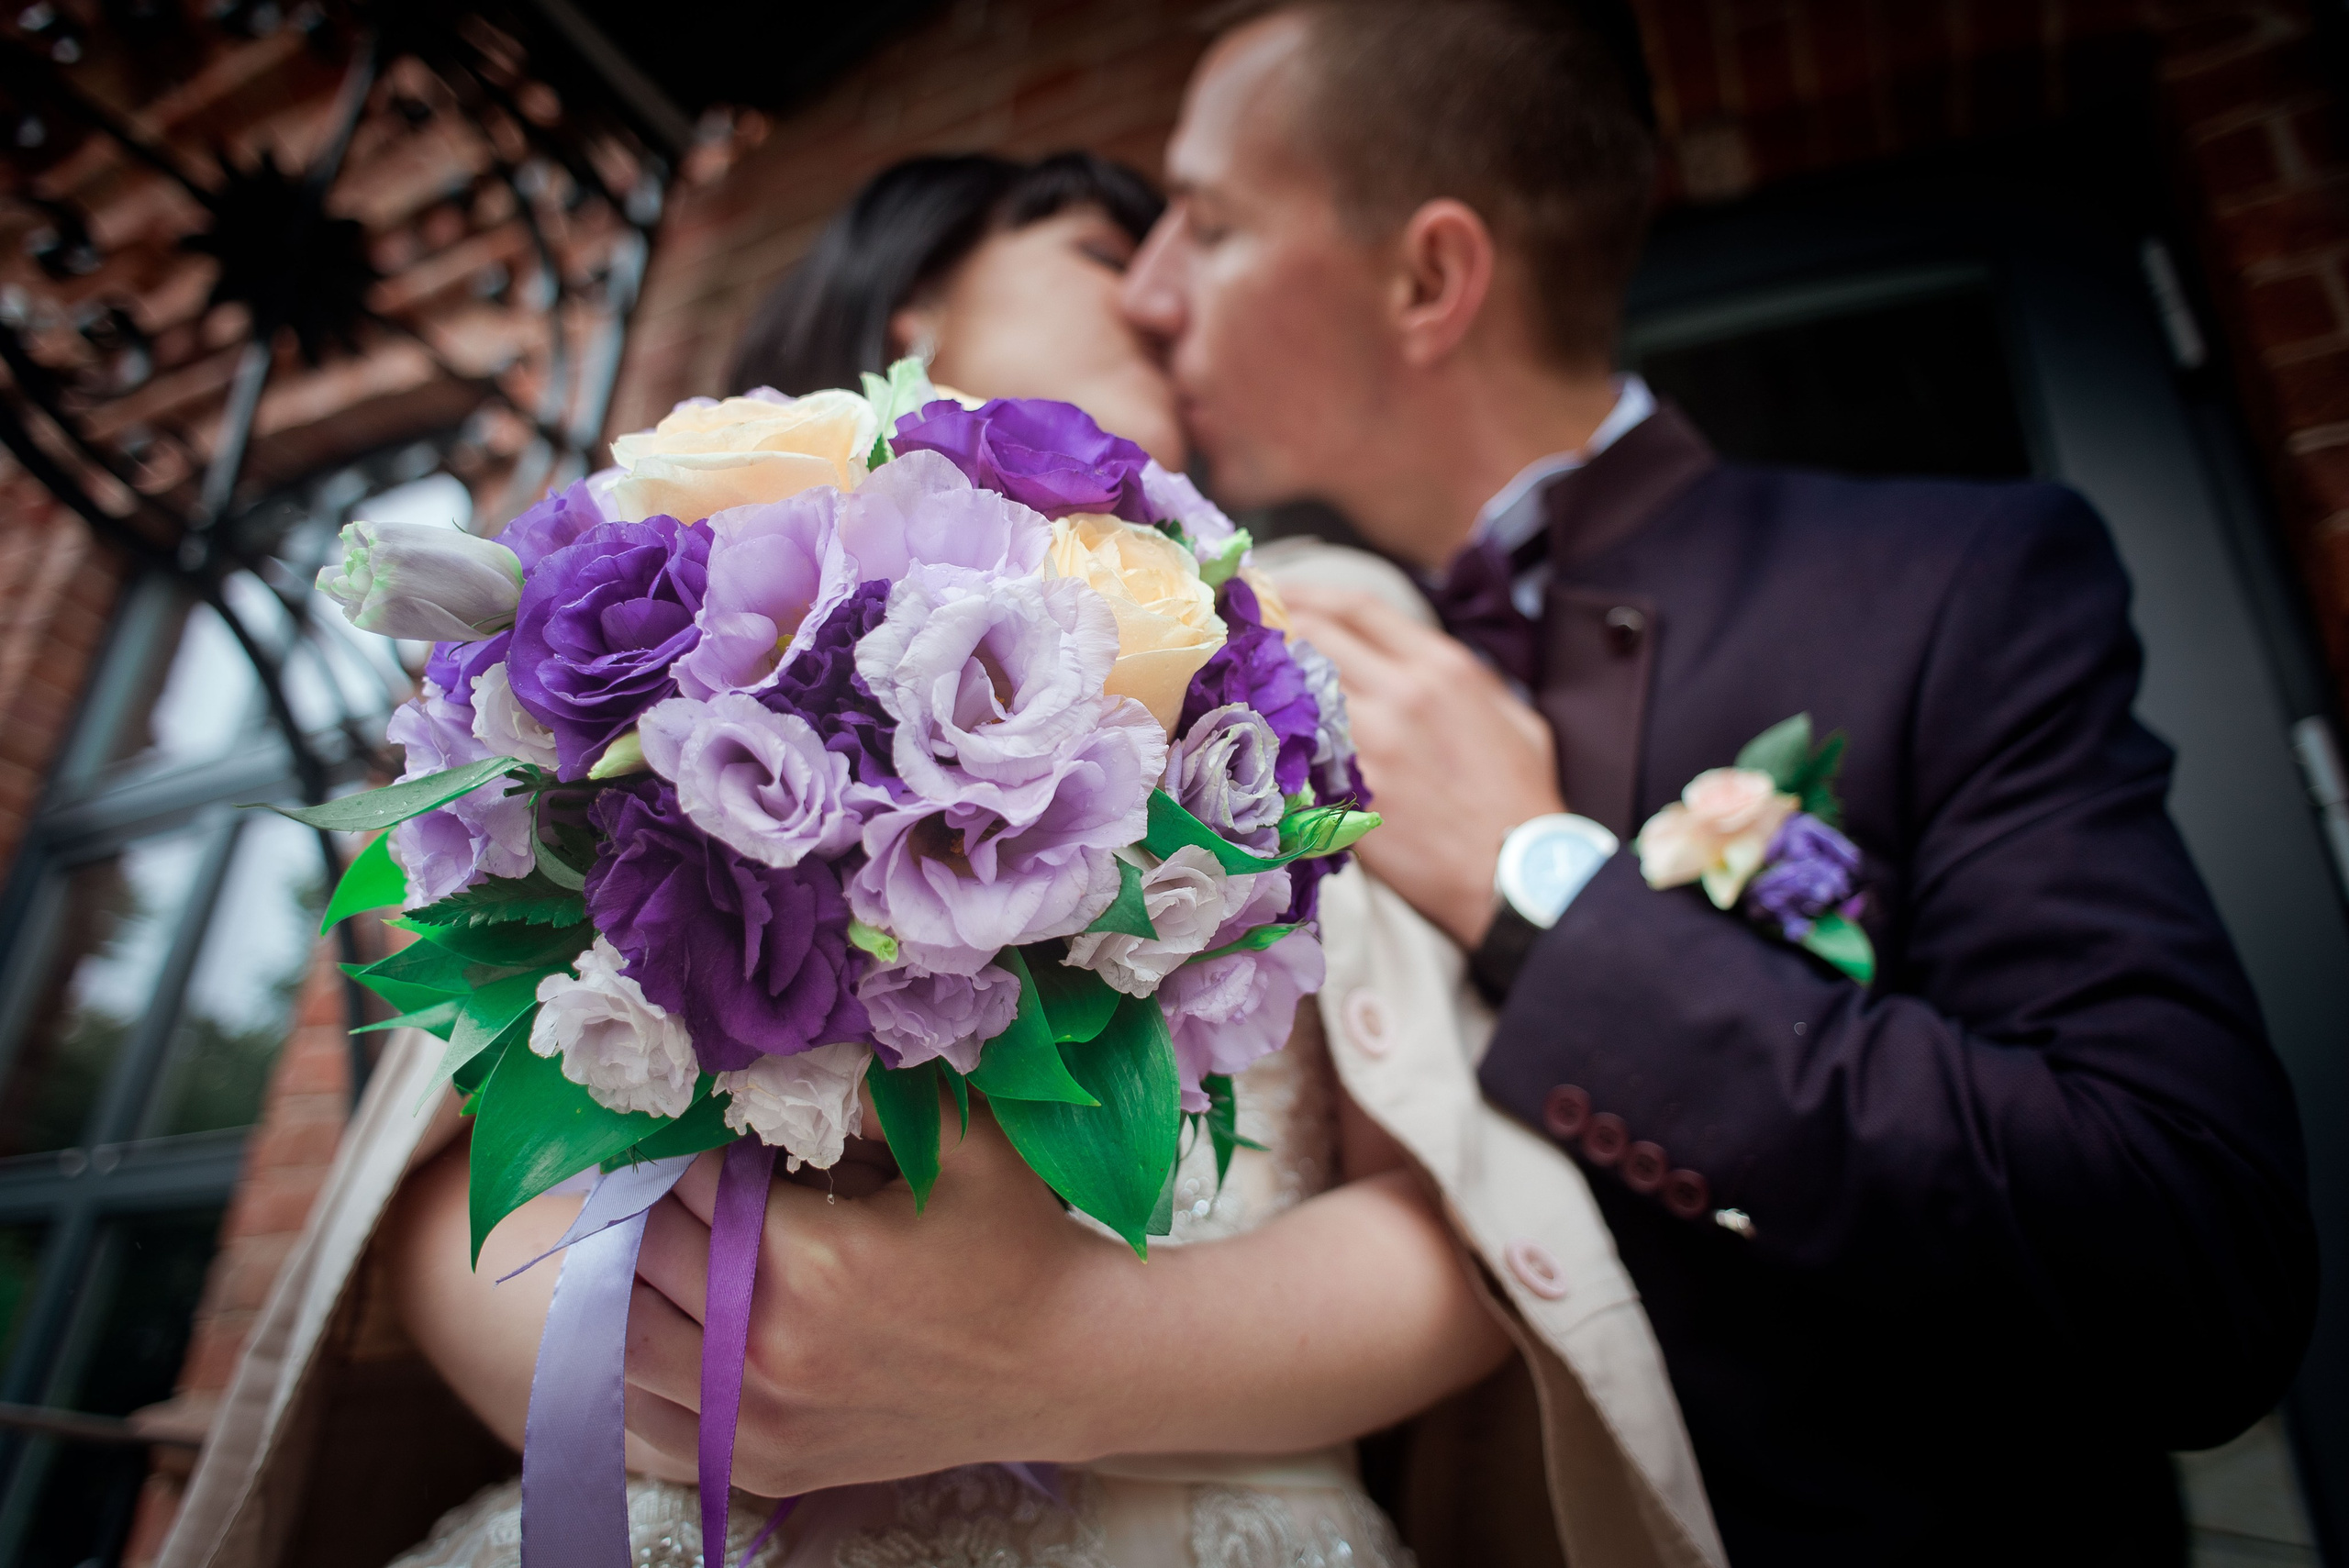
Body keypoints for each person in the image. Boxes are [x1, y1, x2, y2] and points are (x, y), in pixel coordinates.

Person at [154, 149, 1715, 1568]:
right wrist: (705, 1387)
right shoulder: (646, 620)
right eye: (1110, 249)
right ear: (917, 296)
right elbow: (432, 1201)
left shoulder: (1318, 635)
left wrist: (1055, 1355)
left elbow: (1470, 1228)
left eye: (1196, 251)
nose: (1168, 297)